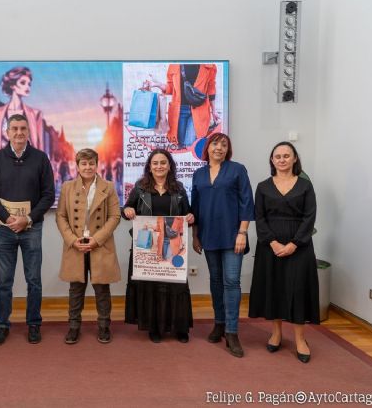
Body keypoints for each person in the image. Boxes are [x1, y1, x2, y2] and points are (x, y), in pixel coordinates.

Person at [0, 114, 55, 345]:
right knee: (4, 281)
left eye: (23, 128)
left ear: (29, 131)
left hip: (32, 229)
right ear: (7, 131)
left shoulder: (40, 158)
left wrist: (29, 219)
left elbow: (48, 196)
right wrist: (7, 217)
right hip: (3, 230)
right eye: (14, 128)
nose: (19, 132)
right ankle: (2, 325)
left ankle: (34, 324)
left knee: (33, 279)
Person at [248, 142, 319, 363]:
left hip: (300, 248)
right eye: (277, 156)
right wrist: (273, 243)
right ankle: (276, 333)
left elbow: (310, 217)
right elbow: (259, 218)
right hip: (270, 247)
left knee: (298, 290)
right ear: (272, 160)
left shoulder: (306, 186)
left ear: (295, 159)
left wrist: (294, 244)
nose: (282, 159)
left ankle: (300, 339)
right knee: (274, 288)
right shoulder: (262, 186)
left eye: (286, 156)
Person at [191, 133, 254, 357]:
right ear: (207, 148)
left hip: (233, 235)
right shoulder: (198, 174)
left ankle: (232, 331)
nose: (219, 148)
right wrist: (195, 236)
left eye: (224, 144)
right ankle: (219, 323)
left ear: (228, 149)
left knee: (231, 281)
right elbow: (195, 208)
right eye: (215, 144)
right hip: (208, 236)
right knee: (216, 280)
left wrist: (242, 232)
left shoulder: (237, 169)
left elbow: (247, 202)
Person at [122, 149, 195, 343]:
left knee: (176, 285)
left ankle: (180, 328)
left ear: (169, 165)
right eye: (155, 163)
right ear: (149, 167)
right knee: (151, 285)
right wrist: (128, 210)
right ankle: (154, 327)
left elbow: (188, 214)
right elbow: (127, 209)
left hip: (173, 243)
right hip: (147, 245)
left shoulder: (178, 188)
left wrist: (191, 217)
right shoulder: (140, 188)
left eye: (163, 162)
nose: (159, 166)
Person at [56, 149, 121, 344]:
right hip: (76, 244)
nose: (88, 167)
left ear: (97, 164)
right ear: (77, 166)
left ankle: (103, 326)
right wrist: (71, 239)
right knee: (76, 288)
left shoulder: (108, 187)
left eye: (91, 163)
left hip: (99, 243)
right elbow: (61, 216)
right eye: (83, 164)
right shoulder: (68, 187)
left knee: (102, 288)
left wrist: (98, 238)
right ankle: (74, 326)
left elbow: (114, 216)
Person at [146, 64, 221, 149]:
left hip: (199, 111)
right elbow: (170, 88)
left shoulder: (209, 66)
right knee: (179, 144)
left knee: (190, 144)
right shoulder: (174, 65)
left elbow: (211, 89)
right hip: (179, 111)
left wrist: (214, 111)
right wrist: (157, 84)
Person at [0, 66, 45, 163]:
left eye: (29, 84)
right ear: (12, 85)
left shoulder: (35, 114)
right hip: (3, 166)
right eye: (23, 83)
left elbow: (39, 145)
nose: (27, 87)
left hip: (28, 166)